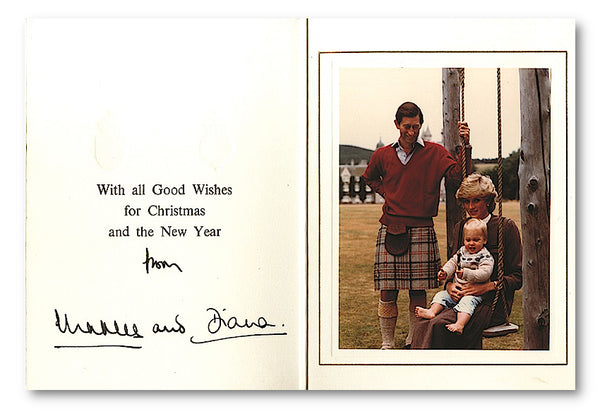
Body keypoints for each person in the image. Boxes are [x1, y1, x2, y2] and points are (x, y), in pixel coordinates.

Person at [361, 101, 472, 349]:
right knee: (387, 291)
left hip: (422, 227)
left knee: (418, 292)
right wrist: (387, 193)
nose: (412, 132)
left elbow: (458, 176)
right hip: (391, 227)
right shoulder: (382, 155)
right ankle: (388, 344)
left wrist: (465, 145)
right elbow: (368, 177)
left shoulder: (435, 152)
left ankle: (414, 342)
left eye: (416, 127)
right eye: (407, 127)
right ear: (397, 125)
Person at [411, 173, 523, 349]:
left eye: (476, 200)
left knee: (438, 325)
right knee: (423, 325)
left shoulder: (505, 227)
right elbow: (455, 263)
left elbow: (518, 277)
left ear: (488, 200)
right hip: (459, 298)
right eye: (466, 201)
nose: (470, 207)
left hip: (490, 303)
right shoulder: (461, 227)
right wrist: (449, 285)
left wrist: (487, 286)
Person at [415, 218, 494, 334]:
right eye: (468, 240)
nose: (471, 243)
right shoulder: (462, 252)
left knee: (467, 303)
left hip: (474, 292)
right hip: (456, 290)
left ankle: (460, 324)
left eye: (476, 240)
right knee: (441, 295)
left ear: (484, 240)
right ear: (464, 240)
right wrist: (445, 272)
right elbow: (452, 263)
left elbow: (485, 273)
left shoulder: (485, 256)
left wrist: (467, 273)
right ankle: (432, 312)